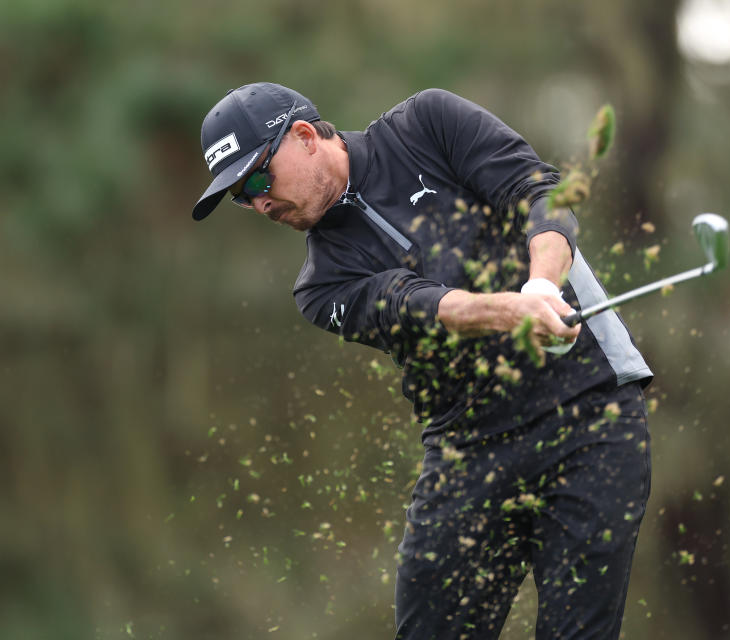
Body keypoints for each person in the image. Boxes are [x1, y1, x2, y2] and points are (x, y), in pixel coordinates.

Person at [192, 82, 654, 640]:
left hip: (590, 414)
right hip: (469, 451)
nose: (260, 202)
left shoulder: (426, 125)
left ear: (306, 137)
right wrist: (511, 309)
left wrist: (541, 282)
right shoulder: (321, 286)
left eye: (259, 179)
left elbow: (541, 193)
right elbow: (422, 306)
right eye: (242, 196)